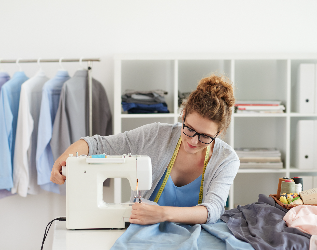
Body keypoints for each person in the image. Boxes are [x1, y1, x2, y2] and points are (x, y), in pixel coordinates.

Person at [50, 74, 239, 225]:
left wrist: (162, 214)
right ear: (183, 116)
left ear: (220, 132)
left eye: (205, 136)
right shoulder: (155, 134)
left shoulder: (226, 159)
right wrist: (66, 157)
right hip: (145, 234)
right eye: (189, 129)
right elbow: (99, 144)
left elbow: (213, 209)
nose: (193, 140)